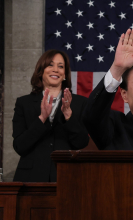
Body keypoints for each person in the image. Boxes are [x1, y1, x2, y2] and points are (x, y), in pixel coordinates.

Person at [12, 50, 89, 182]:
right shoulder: (24, 103)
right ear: (41, 71)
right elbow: (20, 146)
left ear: (64, 74)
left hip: (68, 177)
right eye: (50, 65)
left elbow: (81, 143)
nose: (56, 70)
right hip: (31, 179)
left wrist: (68, 116)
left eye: (61, 66)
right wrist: (42, 119)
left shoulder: (79, 103)